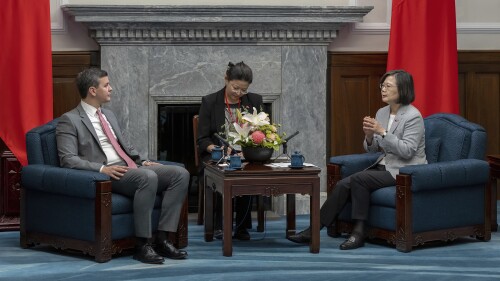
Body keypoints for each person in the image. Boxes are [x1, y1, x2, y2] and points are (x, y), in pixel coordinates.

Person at [56, 68, 189, 264]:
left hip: (129, 167)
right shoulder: (70, 120)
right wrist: (103, 169)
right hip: (107, 173)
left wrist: (142, 161)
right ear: (93, 90)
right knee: (148, 177)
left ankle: (163, 239)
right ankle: (142, 245)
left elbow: (125, 146)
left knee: (180, 174)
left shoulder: (108, 114)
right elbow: (68, 159)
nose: (111, 88)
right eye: (106, 85)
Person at [288, 69, 427, 250]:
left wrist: (382, 132)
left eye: (388, 86)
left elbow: (407, 151)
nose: (383, 89)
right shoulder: (382, 112)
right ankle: (314, 229)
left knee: (360, 179)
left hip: (405, 170)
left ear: (403, 89)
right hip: (385, 167)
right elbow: (374, 148)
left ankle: (357, 232)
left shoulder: (413, 116)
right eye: (382, 86)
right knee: (343, 184)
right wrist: (369, 136)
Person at [197, 61, 263, 240]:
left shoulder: (254, 101)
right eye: (235, 88)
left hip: (245, 155)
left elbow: (261, 133)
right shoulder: (210, 101)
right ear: (226, 79)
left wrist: (248, 151)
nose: (239, 93)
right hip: (217, 156)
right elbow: (202, 140)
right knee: (221, 173)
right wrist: (219, 149)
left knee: (248, 173)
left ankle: (242, 227)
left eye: (243, 90)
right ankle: (219, 225)